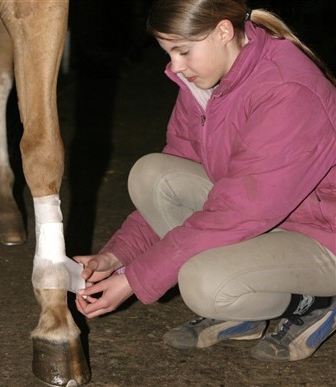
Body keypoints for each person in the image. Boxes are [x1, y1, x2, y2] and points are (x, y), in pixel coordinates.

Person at [75, 0, 336, 362]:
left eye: (182, 51)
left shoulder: (286, 88)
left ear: (223, 32)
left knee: (204, 283)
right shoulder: (204, 84)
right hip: (268, 218)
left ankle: (318, 299)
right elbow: (181, 172)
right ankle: (246, 313)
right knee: (152, 174)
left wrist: (134, 279)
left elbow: (236, 212)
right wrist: (117, 256)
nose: (175, 67)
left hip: (324, 236)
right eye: (168, 53)